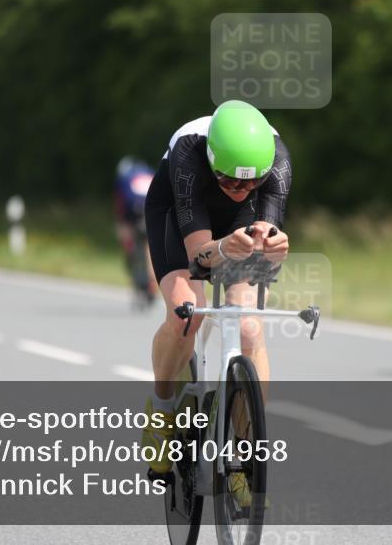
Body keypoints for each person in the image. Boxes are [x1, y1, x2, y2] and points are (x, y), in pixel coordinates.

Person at [141, 100, 292, 488]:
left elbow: (264, 239)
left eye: (250, 183)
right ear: (212, 161)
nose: (240, 191)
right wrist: (224, 248)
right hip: (179, 215)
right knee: (187, 315)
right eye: (229, 181)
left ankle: (246, 446)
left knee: (250, 330)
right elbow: (199, 259)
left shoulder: (275, 165)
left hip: (237, 227)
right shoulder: (190, 154)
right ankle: (161, 411)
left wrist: (272, 247)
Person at [114, 157, 156, 304]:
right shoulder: (149, 171)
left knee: (125, 233)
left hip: (133, 210)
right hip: (152, 210)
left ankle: (130, 251)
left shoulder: (123, 177)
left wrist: (122, 225)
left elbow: (121, 206)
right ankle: (151, 282)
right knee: (149, 247)